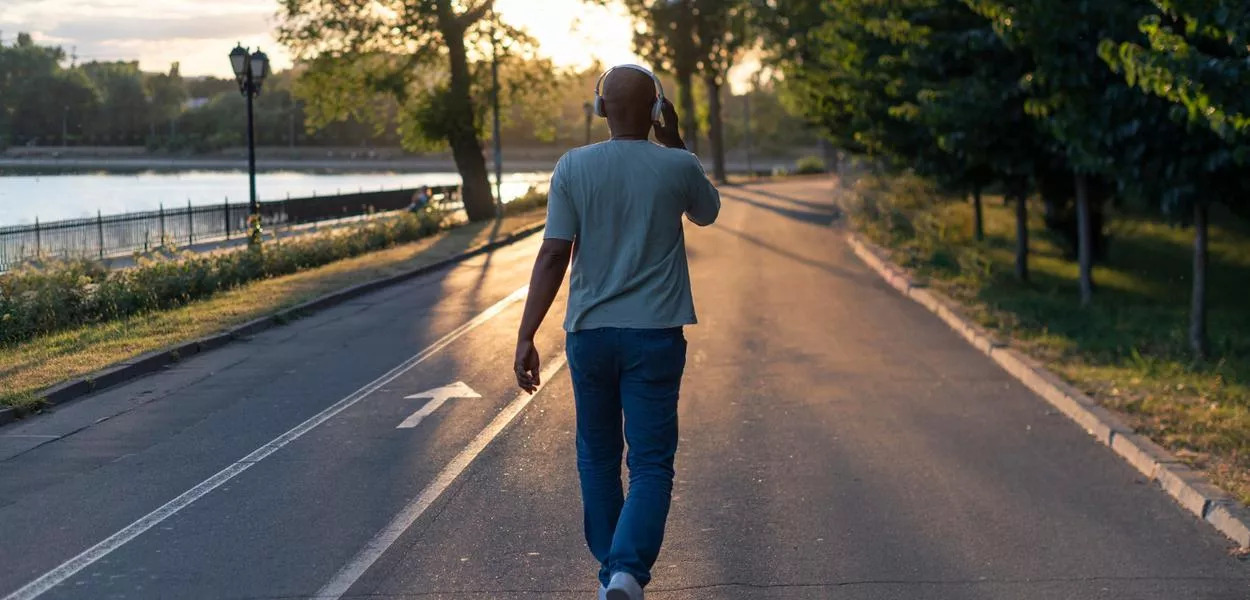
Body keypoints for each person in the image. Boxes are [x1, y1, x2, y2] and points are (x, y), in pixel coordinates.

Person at [513, 64, 720, 600]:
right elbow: (708, 212)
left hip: (590, 336)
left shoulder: (572, 167)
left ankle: (614, 576)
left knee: (598, 458)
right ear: (655, 110)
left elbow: (554, 252)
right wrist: (675, 142)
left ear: (600, 109)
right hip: (655, 335)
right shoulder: (677, 165)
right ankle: (625, 573)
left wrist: (526, 334)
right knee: (650, 462)